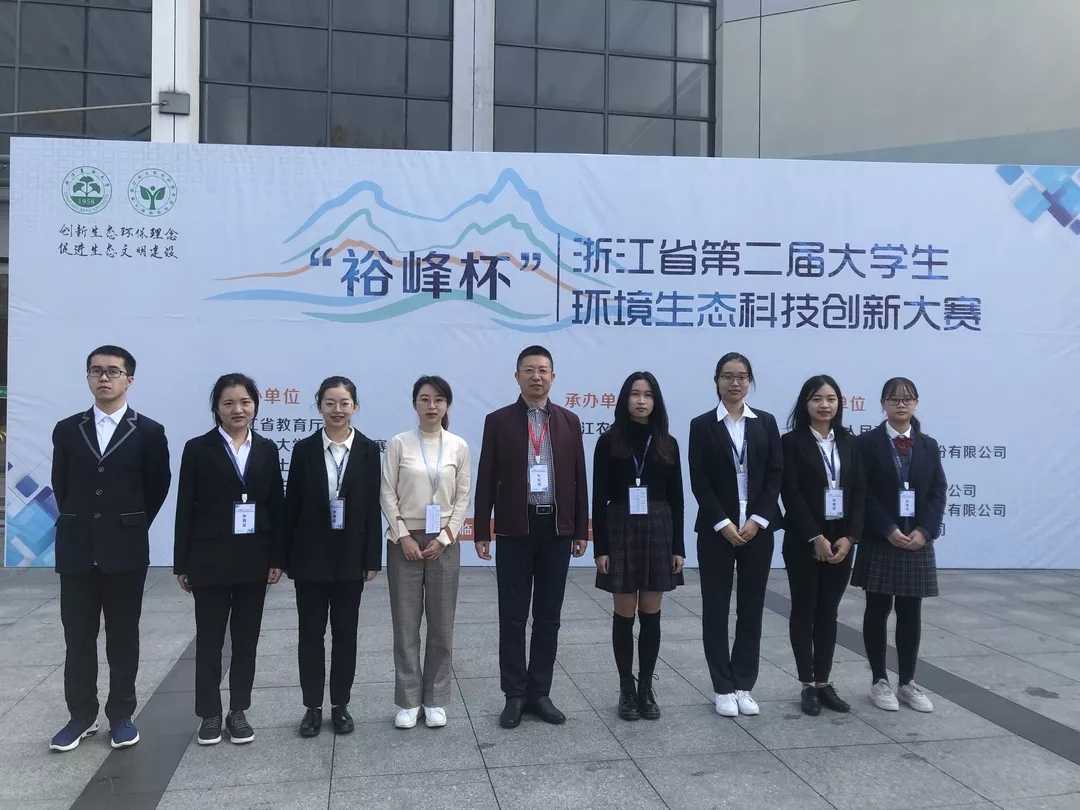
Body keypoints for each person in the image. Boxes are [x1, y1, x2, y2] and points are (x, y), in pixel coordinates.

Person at [49, 345, 171, 752]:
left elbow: (156, 487)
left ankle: (121, 714)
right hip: (77, 548)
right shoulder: (68, 429)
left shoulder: (149, 431)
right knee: (77, 636)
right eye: (96, 371)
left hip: (125, 549)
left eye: (113, 371)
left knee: (123, 637)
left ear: (129, 380)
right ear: (88, 377)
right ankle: (81, 716)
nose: (104, 377)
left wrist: (128, 523)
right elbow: (61, 484)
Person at [474, 345, 589, 730]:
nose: (536, 376)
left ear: (553, 377)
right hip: (514, 529)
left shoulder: (569, 421)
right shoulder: (499, 421)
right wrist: (482, 529)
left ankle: (540, 692)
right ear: (517, 376)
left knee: (549, 616)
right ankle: (514, 695)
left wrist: (580, 528)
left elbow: (579, 477)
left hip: (556, 529)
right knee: (512, 615)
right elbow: (486, 474)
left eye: (543, 370)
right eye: (529, 370)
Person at [174, 373, 285, 746]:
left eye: (245, 402)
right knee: (209, 641)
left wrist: (277, 557)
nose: (238, 409)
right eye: (229, 403)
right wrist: (181, 563)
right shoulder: (197, 448)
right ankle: (209, 713)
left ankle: (238, 711)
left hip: (254, 559)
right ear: (217, 408)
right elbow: (185, 507)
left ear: (255, 406)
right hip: (208, 559)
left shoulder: (267, 448)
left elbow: (276, 505)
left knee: (245, 640)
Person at [286, 376, 382, 738]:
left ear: (355, 407)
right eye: (330, 403)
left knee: (346, 635)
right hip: (310, 556)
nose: (337, 410)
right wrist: (287, 557)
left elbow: (372, 507)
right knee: (310, 635)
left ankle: (340, 704)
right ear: (319, 407)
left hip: (351, 557)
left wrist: (371, 558)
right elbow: (291, 506)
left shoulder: (369, 449)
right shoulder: (304, 449)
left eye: (344, 403)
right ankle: (312, 707)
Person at [688, 352, 782, 719]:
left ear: (750, 381)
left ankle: (744, 684)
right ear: (716, 380)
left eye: (742, 376)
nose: (735, 382)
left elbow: (775, 475)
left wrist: (757, 520)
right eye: (727, 376)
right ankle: (722, 687)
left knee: (751, 609)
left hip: (757, 530)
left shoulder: (766, 423)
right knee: (715, 609)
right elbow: (699, 480)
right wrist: (723, 523)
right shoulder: (701, 425)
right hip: (717, 532)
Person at [380, 376, 472, 730]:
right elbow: (387, 492)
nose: (431, 406)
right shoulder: (399, 443)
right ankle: (408, 700)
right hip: (404, 541)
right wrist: (403, 535)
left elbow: (462, 497)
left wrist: (446, 536)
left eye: (438, 400)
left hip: (443, 543)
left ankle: (435, 699)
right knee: (405, 625)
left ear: (447, 405)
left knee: (441, 625)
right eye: (424, 399)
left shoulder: (458, 446)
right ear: (414, 404)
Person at [592, 371, 684, 722]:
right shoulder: (609, 441)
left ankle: (646, 687)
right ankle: (626, 689)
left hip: (658, 526)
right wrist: (601, 548)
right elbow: (598, 498)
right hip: (620, 526)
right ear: (624, 399)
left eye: (647, 394)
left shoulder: (667, 443)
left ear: (655, 400)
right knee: (624, 612)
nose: (641, 400)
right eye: (634, 394)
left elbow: (677, 500)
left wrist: (678, 547)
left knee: (651, 612)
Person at [853, 377, 946, 713]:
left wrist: (925, 531)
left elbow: (937, 491)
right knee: (877, 609)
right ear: (883, 404)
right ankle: (879, 680)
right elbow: (863, 491)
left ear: (916, 404)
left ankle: (907, 682)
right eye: (894, 399)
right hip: (881, 539)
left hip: (917, 541)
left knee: (910, 611)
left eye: (908, 399)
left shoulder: (928, 445)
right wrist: (888, 528)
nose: (901, 404)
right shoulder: (866, 443)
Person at [781, 375, 865, 716]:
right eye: (817, 399)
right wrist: (815, 536)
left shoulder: (849, 441)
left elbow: (859, 492)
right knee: (804, 609)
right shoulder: (791, 442)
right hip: (804, 541)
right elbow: (791, 492)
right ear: (805, 403)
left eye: (831, 399)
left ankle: (824, 681)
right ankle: (807, 684)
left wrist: (850, 537)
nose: (825, 405)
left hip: (842, 541)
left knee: (829, 611)